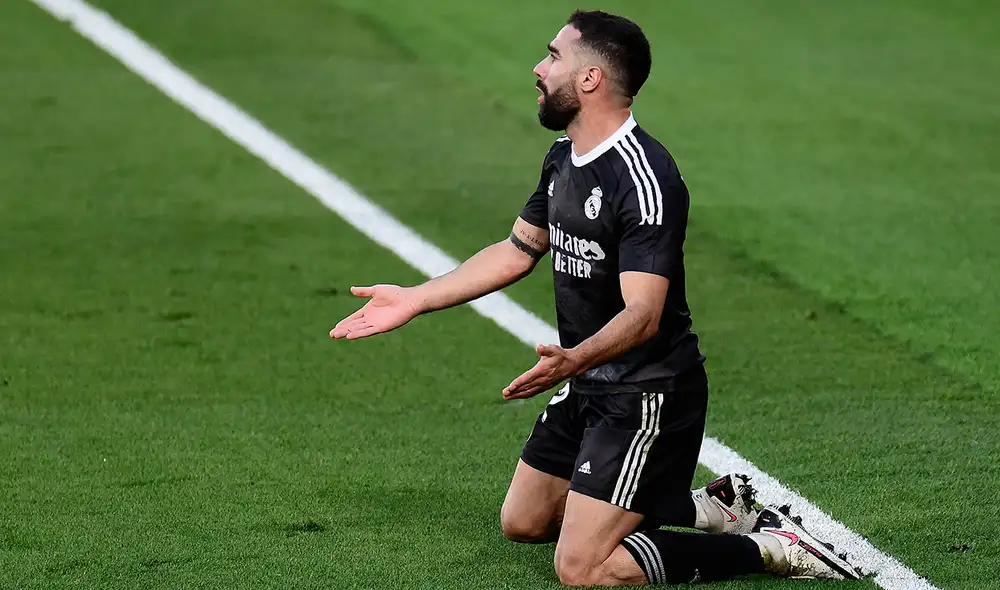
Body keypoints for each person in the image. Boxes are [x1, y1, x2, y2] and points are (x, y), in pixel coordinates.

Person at [331, 9, 861, 586]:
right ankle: (708, 508)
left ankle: (770, 549)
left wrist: (573, 360)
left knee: (582, 569)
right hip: (588, 380)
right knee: (525, 521)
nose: (538, 68)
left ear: (590, 81)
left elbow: (644, 313)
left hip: (647, 391)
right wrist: (416, 298)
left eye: (554, 56)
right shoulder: (564, 158)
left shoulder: (644, 178)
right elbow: (516, 250)